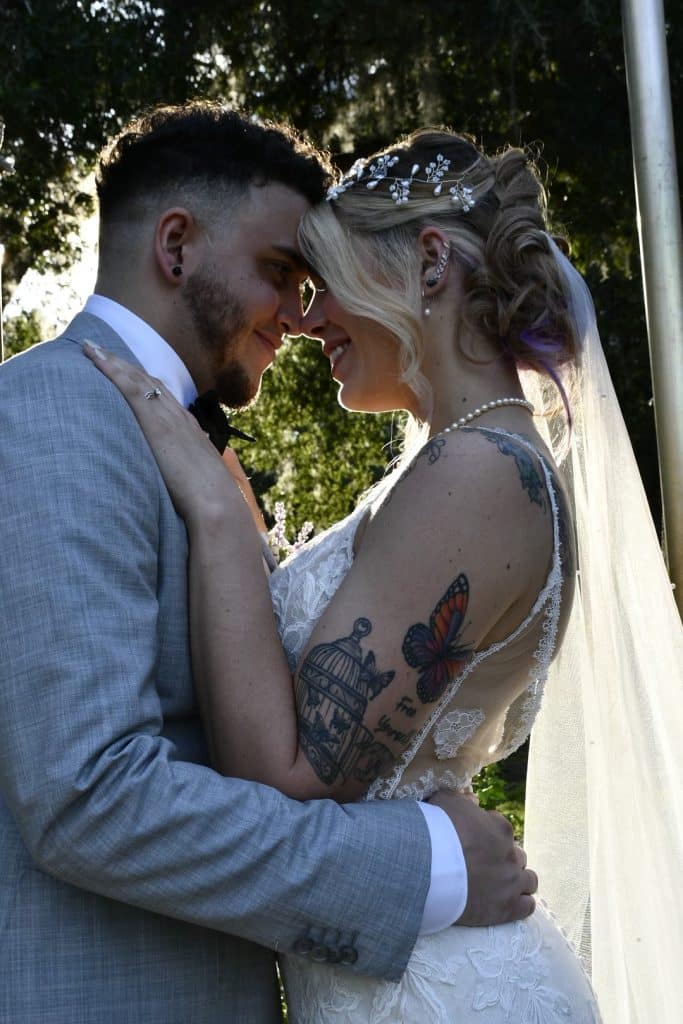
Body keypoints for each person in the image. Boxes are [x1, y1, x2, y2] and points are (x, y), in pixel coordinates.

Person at [0, 105, 536, 1024]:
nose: (299, 312)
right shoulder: (53, 418)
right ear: (176, 247)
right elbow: (89, 797)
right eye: (280, 272)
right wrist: (428, 866)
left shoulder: (180, 444)